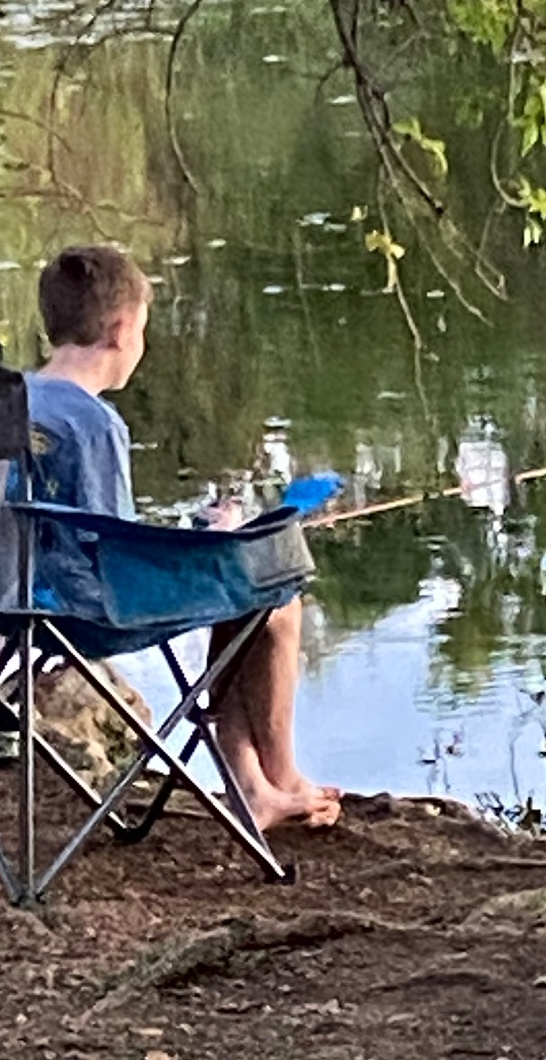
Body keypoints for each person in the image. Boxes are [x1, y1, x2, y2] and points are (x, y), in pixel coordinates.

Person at [28, 245, 342, 832]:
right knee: (276, 595)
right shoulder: (92, 423)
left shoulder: (10, 401)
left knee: (235, 581)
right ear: (122, 332)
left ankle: (252, 787)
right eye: (143, 330)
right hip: (85, 611)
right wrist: (216, 539)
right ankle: (282, 775)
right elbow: (114, 551)